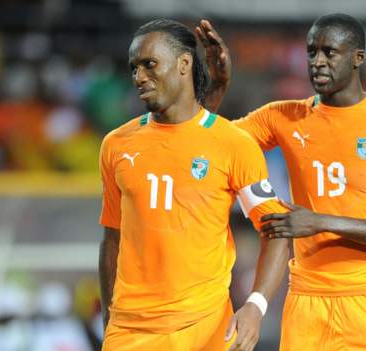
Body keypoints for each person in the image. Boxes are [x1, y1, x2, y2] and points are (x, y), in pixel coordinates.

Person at [198, 13, 366, 350]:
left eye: (329, 53)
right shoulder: (283, 116)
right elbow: (204, 147)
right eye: (311, 52)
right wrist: (215, 90)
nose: (317, 62)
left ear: (357, 58)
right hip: (308, 302)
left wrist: (319, 222)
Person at [98, 19, 290, 351]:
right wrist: (109, 319)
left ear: (184, 64)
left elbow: (275, 230)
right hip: (130, 331)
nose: (139, 76)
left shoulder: (233, 143)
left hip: (205, 328)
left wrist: (256, 306)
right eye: (134, 68)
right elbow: (111, 238)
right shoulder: (117, 145)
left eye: (150, 64)